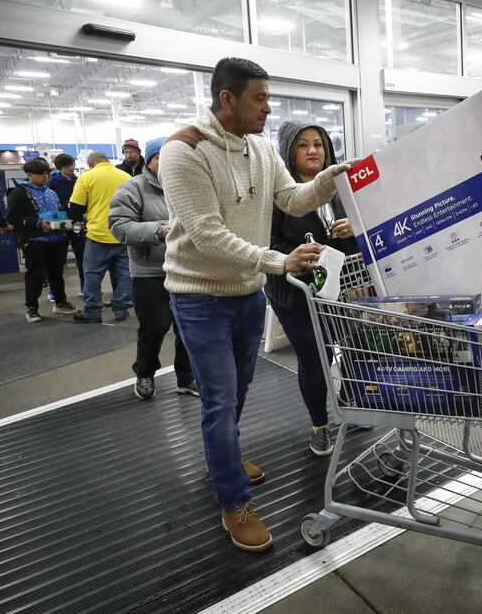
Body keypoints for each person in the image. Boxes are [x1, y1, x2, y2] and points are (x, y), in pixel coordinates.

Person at [162, 57, 353, 552]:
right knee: (220, 400)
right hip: (199, 294)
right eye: (259, 99)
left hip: (246, 293)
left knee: (238, 390)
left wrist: (332, 177)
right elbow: (206, 235)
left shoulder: (262, 147)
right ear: (227, 99)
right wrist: (277, 261)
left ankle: (222, 454)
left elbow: (293, 199)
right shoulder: (185, 151)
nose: (269, 109)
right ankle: (233, 500)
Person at [265, 120, 359, 458]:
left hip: (340, 290)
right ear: (290, 153)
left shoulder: (341, 190)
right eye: (303, 145)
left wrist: (356, 228)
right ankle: (320, 426)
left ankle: (348, 398)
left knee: (355, 343)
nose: (312, 151)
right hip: (294, 294)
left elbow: (368, 230)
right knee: (316, 356)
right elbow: (267, 242)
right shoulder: (278, 195)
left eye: (318, 144)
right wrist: (292, 257)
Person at [109, 137, 197, 401]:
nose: (169, 163)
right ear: (150, 161)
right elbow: (118, 227)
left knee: (188, 329)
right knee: (155, 326)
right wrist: (158, 230)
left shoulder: (189, 188)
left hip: (186, 270)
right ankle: (145, 373)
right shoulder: (132, 189)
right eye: (162, 158)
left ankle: (186, 377)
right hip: (150, 270)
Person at [5, 158, 78, 322]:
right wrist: (36, 223)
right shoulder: (18, 193)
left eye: (47, 173)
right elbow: (12, 217)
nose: (45, 177)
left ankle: (60, 302)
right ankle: (32, 308)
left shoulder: (51, 193)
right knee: (35, 275)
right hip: (34, 239)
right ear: (29, 174)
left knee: (57, 274)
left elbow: (59, 212)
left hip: (56, 239)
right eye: (40, 174)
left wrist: (64, 222)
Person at [70, 151, 133, 324]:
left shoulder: (86, 177)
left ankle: (92, 312)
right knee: (124, 274)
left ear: (90, 163)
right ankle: (121, 308)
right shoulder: (126, 176)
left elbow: (75, 208)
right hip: (123, 234)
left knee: (92, 275)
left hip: (97, 235)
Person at [48, 153, 86, 291]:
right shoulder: (52, 181)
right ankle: (55, 292)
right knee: (59, 258)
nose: (70, 168)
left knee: (82, 256)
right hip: (61, 221)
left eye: (72, 165)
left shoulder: (79, 180)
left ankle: (85, 287)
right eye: (66, 166)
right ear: (59, 167)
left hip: (78, 222)